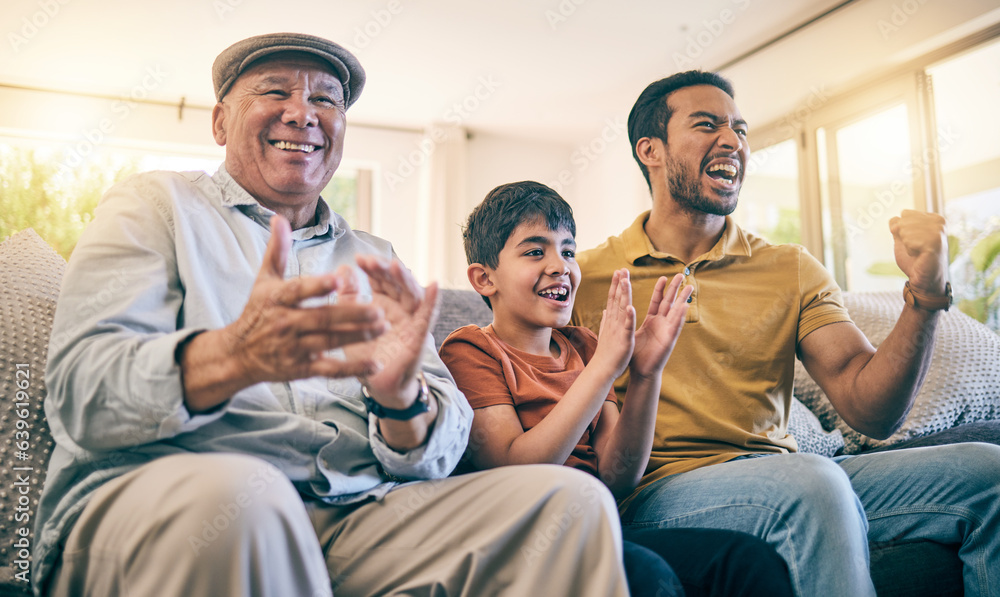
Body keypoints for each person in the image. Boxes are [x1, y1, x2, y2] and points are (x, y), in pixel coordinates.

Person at [34, 33, 631, 597]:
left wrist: (401, 401)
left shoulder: (374, 258)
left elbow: (446, 444)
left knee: (570, 504)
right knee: (248, 494)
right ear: (220, 121)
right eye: (275, 91)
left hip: (351, 514)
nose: (303, 112)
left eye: (325, 98)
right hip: (172, 496)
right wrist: (233, 357)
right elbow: (81, 393)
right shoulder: (153, 206)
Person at [570, 69, 1000, 597]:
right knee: (814, 484)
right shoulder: (581, 278)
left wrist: (926, 295)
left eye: (740, 130)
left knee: (991, 473)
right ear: (650, 150)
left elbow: (873, 411)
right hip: (659, 492)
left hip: (786, 474)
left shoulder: (789, 267)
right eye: (707, 125)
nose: (732, 141)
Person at [440, 180, 795, 597]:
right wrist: (604, 369)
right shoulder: (471, 349)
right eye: (536, 251)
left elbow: (618, 474)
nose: (561, 265)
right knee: (648, 575)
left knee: (748, 561)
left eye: (568, 251)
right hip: (527, 538)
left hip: (600, 522)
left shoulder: (584, 346)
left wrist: (645, 373)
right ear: (484, 279)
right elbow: (514, 468)